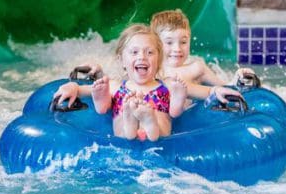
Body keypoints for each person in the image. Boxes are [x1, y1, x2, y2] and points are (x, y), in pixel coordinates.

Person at [53, 24, 186, 141]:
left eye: (150, 52)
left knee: (161, 121)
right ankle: (130, 118)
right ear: (122, 60)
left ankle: (149, 119)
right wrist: (73, 86)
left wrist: (183, 94)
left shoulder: (168, 84)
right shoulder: (115, 86)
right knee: (123, 116)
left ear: (159, 60)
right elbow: (82, 90)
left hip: (155, 131)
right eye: (134, 52)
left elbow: (198, 97)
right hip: (135, 129)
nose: (142, 56)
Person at [150, 9, 252, 105]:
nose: (177, 49)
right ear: (156, 44)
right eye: (169, 42)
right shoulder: (154, 74)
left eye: (183, 42)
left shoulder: (196, 68)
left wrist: (237, 80)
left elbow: (225, 87)